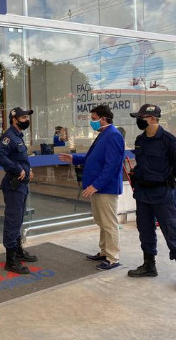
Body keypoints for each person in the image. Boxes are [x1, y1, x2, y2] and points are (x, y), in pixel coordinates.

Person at [128, 104, 176, 293]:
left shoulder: (170, 141)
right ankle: (149, 265)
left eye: (141, 117)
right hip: (143, 194)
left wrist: (167, 182)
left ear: (152, 119)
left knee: (172, 232)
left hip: (163, 195)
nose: (138, 121)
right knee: (145, 230)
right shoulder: (140, 140)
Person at [59, 104, 125, 270]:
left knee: (109, 223)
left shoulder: (113, 136)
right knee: (102, 221)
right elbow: (93, 158)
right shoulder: (103, 134)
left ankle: (113, 257)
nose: (92, 122)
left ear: (103, 119)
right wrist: (74, 158)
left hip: (105, 188)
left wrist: (96, 185)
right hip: (98, 187)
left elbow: (111, 166)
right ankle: (104, 251)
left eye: (94, 119)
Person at [0, 107, 38, 274]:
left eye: (27, 117)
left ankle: (18, 251)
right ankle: (10, 260)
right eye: (23, 117)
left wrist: (27, 170)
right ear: (14, 119)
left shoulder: (18, 136)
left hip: (21, 185)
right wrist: (17, 169)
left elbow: (20, 158)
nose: (26, 120)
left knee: (18, 220)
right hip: (14, 186)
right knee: (13, 221)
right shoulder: (9, 136)